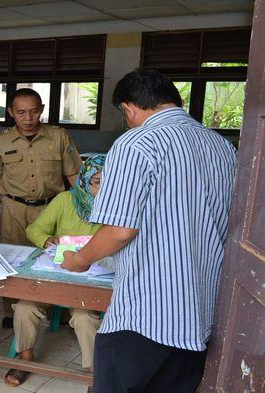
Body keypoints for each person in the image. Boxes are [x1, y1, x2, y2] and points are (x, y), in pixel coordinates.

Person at [62, 69, 237, 392]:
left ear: (128, 109)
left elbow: (119, 230)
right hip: (200, 311)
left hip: (146, 313)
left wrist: (80, 260)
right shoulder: (222, 147)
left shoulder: (135, 144)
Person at [0, 88, 83, 328]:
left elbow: (73, 174)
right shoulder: (1, 140)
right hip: (13, 208)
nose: (28, 118)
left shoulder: (58, 137)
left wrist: (83, 207)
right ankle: (12, 310)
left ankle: (53, 307)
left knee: (52, 255)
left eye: (34, 111)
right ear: (10, 113)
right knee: (12, 258)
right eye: (21, 112)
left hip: (50, 208)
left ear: (42, 110)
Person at [5, 154, 106, 386]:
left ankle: (94, 370)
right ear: (85, 179)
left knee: (84, 317)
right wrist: (49, 240)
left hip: (90, 277)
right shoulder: (64, 200)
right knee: (24, 307)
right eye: (98, 181)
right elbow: (35, 229)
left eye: (111, 181)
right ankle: (25, 357)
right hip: (56, 272)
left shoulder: (117, 205)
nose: (104, 188)